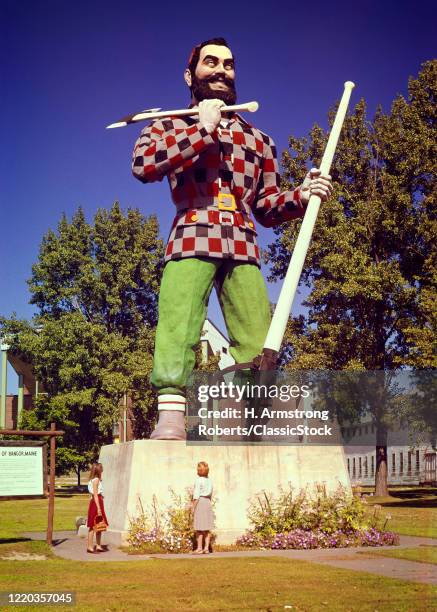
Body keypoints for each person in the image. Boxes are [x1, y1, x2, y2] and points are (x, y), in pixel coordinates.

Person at [132, 37, 333, 439]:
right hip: (191, 231)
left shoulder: (259, 140)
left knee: (258, 335)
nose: (221, 70)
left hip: (242, 240)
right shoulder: (169, 124)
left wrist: (302, 195)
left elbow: (266, 206)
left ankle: (246, 418)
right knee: (178, 322)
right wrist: (202, 129)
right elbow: (144, 164)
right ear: (191, 74)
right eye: (211, 62)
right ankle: (170, 414)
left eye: (228, 64)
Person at [191, 461, 214, 554]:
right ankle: (206, 548)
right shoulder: (209, 481)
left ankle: (199, 548)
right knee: (207, 527)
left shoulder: (198, 480)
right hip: (208, 502)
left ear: (199, 470)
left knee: (199, 527)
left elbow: (196, 495)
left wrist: (193, 507)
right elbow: (211, 494)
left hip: (200, 502)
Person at [86, 462, 108, 554]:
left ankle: (98, 545)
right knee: (92, 525)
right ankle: (90, 547)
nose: (102, 470)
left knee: (99, 525)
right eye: (101, 469)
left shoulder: (94, 480)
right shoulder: (96, 480)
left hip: (96, 501)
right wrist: (98, 508)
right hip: (96, 502)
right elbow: (95, 495)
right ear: (98, 470)